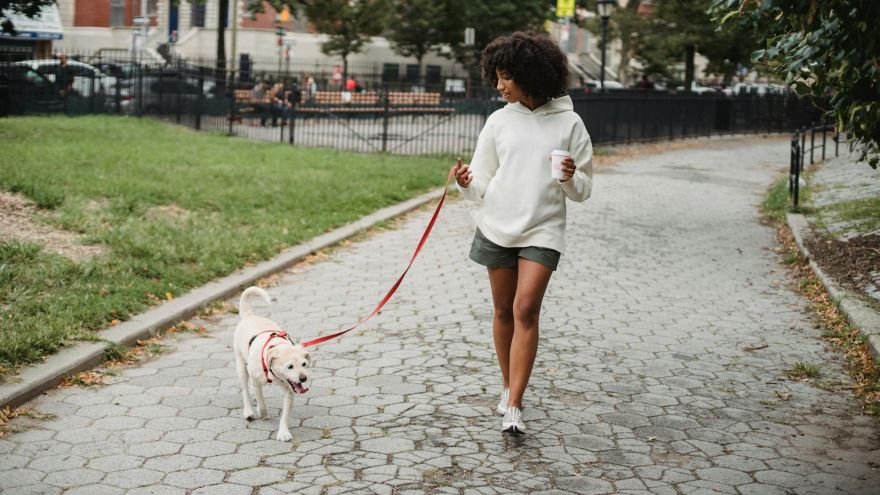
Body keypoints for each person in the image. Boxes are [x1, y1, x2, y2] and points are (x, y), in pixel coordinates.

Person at [454, 31, 593, 435]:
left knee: (525, 309)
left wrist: (569, 178)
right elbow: (479, 183)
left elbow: (584, 189)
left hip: (543, 229)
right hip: (497, 226)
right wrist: (465, 182)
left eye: (506, 77)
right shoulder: (498, 121)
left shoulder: (569, 122)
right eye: (496, 76)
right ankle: (507, 385)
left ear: (530, 75)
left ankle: (514, 405)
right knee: (502, 311)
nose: (499, 86)